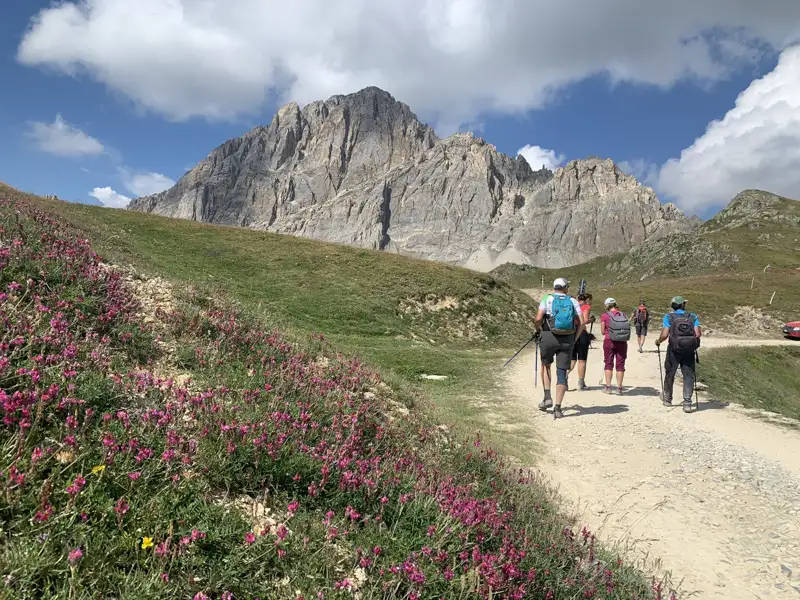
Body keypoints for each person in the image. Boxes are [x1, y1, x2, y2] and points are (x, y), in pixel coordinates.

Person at [534, 278, 586, 419]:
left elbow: (538, 318)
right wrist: (574, 338)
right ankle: (558, 408)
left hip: (548, 336)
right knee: (562, 371)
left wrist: (538, 330)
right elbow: (583, 323)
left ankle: (547, 397)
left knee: (546, 366)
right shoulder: (573, 301)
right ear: (565, 288)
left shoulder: (546, 299)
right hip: (567, 339)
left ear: (555, 287)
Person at [654, 296, 701, 413]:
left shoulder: (668, 317)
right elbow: (698, 334)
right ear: (682, 305)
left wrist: (658, 341)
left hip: (674, 349)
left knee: (670, 373)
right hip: (689, 350)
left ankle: (667, 399)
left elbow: (665, 335)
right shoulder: (692, 316)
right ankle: (687, 403)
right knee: (688, 375)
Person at [599, 298, 630, 395]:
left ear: (607, 305)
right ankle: (619, 388)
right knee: (620, 365)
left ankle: (608, 387)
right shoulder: (623, 314)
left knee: (608, 363)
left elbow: (603, 331)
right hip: (622, 342)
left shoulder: (604, 316)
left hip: (609, 341)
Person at [569, 293, 594, 391]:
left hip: (572, 332)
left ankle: (564, 377)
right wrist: (591, 320)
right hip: (582, 333)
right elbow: (584, 321)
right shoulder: (586, 306)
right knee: (582, 360)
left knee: (572, 359)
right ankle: (581, 383)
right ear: (587, 299)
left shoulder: (573, 306)